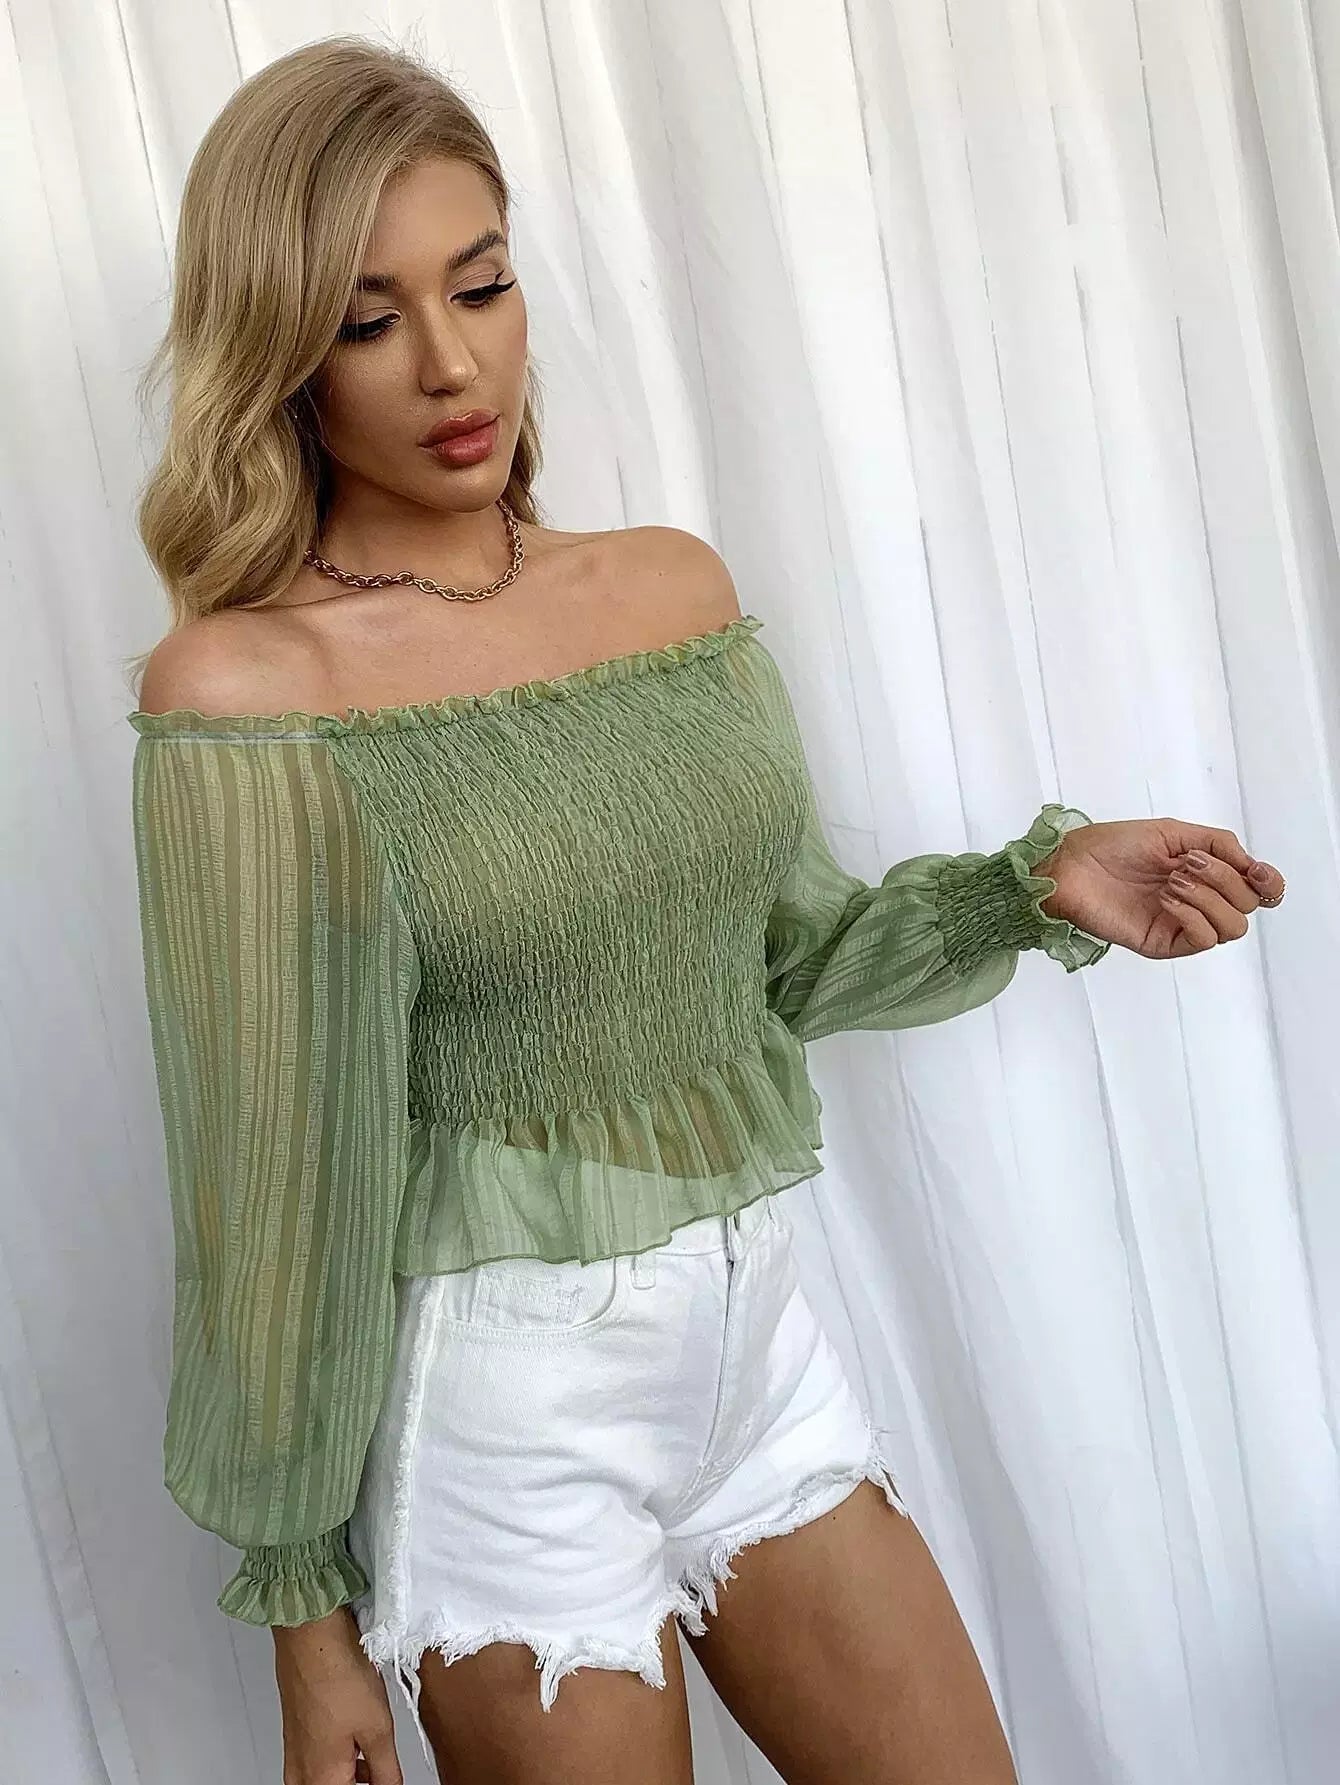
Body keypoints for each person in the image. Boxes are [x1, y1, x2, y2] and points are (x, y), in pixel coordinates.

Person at [124, 35, 1285, 1785]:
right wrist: (306, 1614)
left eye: (481, 286)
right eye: (368, 321)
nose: (451, 363)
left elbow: (783, 960)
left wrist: (1029, 884)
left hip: (756, 1350)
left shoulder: (670, 591)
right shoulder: (247, 694)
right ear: (284, 354)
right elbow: (266, 1179)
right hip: (503, 1415)